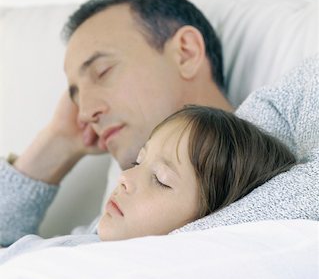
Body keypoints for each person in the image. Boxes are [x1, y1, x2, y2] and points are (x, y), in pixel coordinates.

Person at [0, 0, 318, 248]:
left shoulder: (272, 141)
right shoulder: (108, 220)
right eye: (76, 96)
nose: (85, 113)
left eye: (102, 71)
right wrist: (55, 143)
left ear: (186, 52)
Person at [0, 105, 296, 264]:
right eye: (138, 163)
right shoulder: (93, 239)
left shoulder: (119, 277)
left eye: (161, 180)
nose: (125, 178)